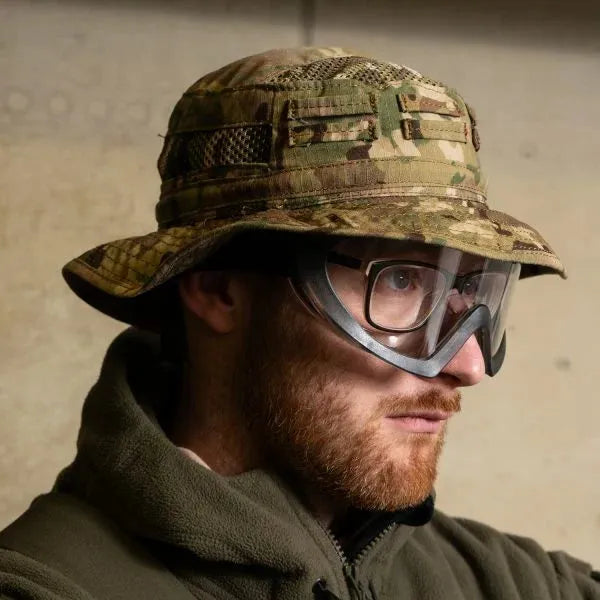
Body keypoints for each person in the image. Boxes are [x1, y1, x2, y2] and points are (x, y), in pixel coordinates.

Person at [0, 47, 597, 600]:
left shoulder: (501, 580)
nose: (467, 366)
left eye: (469, 291)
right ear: (217, 288)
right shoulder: (50, 587)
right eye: (400, 281)